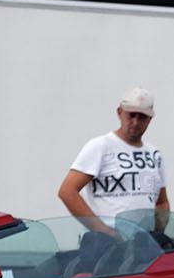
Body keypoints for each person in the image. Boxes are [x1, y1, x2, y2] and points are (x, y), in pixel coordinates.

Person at [59, 87, 168, 237]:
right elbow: (67, 191)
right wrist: (104, 231)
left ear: (150, 119)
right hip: (107, 246)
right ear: (119, 112)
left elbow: (161, 202)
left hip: (143, 244)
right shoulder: (101, 146)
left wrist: (158, 234)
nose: (135, 122)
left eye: (142, 117)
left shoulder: (154, 154)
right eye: (131, 115)